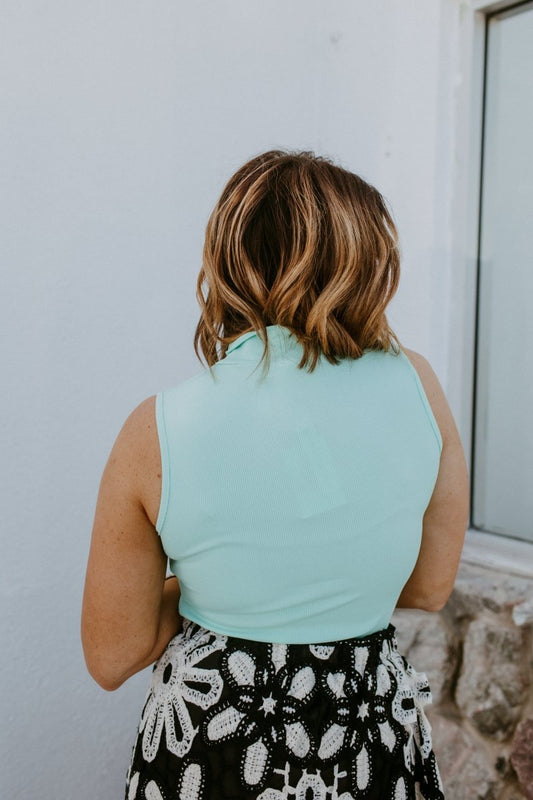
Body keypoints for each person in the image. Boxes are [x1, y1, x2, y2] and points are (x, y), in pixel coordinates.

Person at [81, 149, 469, 800]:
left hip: (214, 746)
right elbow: (429, 587)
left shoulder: (156, 429)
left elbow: (113, 655)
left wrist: (218, 582)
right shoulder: (417, 383)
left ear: (226, 260)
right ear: (371, 261)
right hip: (369, 734)